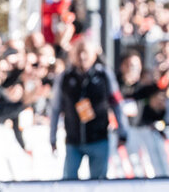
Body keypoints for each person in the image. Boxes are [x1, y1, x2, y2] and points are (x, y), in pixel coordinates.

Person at [50, 38, 129, 180]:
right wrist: (52, 137)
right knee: (69, 180)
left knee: (98, 181)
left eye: (85, 52)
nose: (82, 57)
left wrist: (122, 132)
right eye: (78, 53)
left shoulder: (104, 75)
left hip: (99, 138)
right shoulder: (65, 77)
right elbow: (55, 108)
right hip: (73, 140)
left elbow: (116, 104)